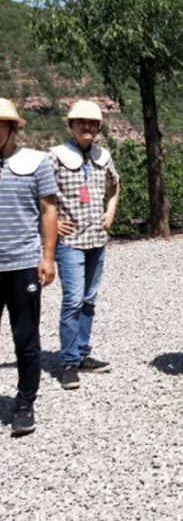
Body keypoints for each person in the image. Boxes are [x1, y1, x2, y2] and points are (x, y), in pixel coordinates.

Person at [50, 100, 120, 390]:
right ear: (71, 125)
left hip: (96, 239)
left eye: (92, 123)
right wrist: (52, 223)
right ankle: (68, 362)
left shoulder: (103, 156)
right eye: (81, 122)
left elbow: (115, 185)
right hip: (69, 241)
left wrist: (110, 210)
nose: (87, 127)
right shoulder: (55, 156)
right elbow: (37, 194)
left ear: (98, 127)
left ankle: (81, 353)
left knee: (89, 300)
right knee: (73, 300)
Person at [0, 98, 58, 436]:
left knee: (25, 338)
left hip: (22, 264)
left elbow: (49, 210)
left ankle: (24, 403)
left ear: (11, 127)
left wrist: (47, 256)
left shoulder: (36, 163)